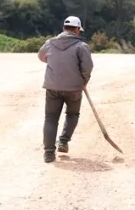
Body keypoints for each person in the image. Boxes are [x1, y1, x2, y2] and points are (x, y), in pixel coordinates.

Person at [37, 16, 94, 163]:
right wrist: (84, 80)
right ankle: (63, 141)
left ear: (63, 28)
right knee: (72, 114)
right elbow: (87, 67)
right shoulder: (81, 46)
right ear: (76, 29)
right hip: (74, 88)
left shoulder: (50, 43)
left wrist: (55, 61)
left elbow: (41, 56)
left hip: (52, 86)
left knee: (50, 118)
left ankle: (49, 153)